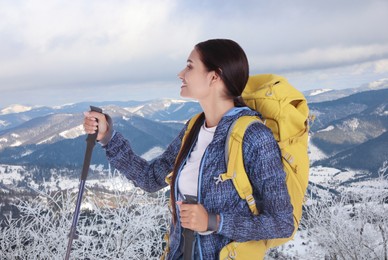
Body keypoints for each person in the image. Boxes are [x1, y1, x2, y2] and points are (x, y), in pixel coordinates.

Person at [83, 39, 294, 259]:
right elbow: (150, 178)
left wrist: (214, 222)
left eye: (190, 66)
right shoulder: (193, 129)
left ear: (214, 76)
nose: (181, 73)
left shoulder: (254, 137)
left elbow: (281, 223)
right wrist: (108, 136)